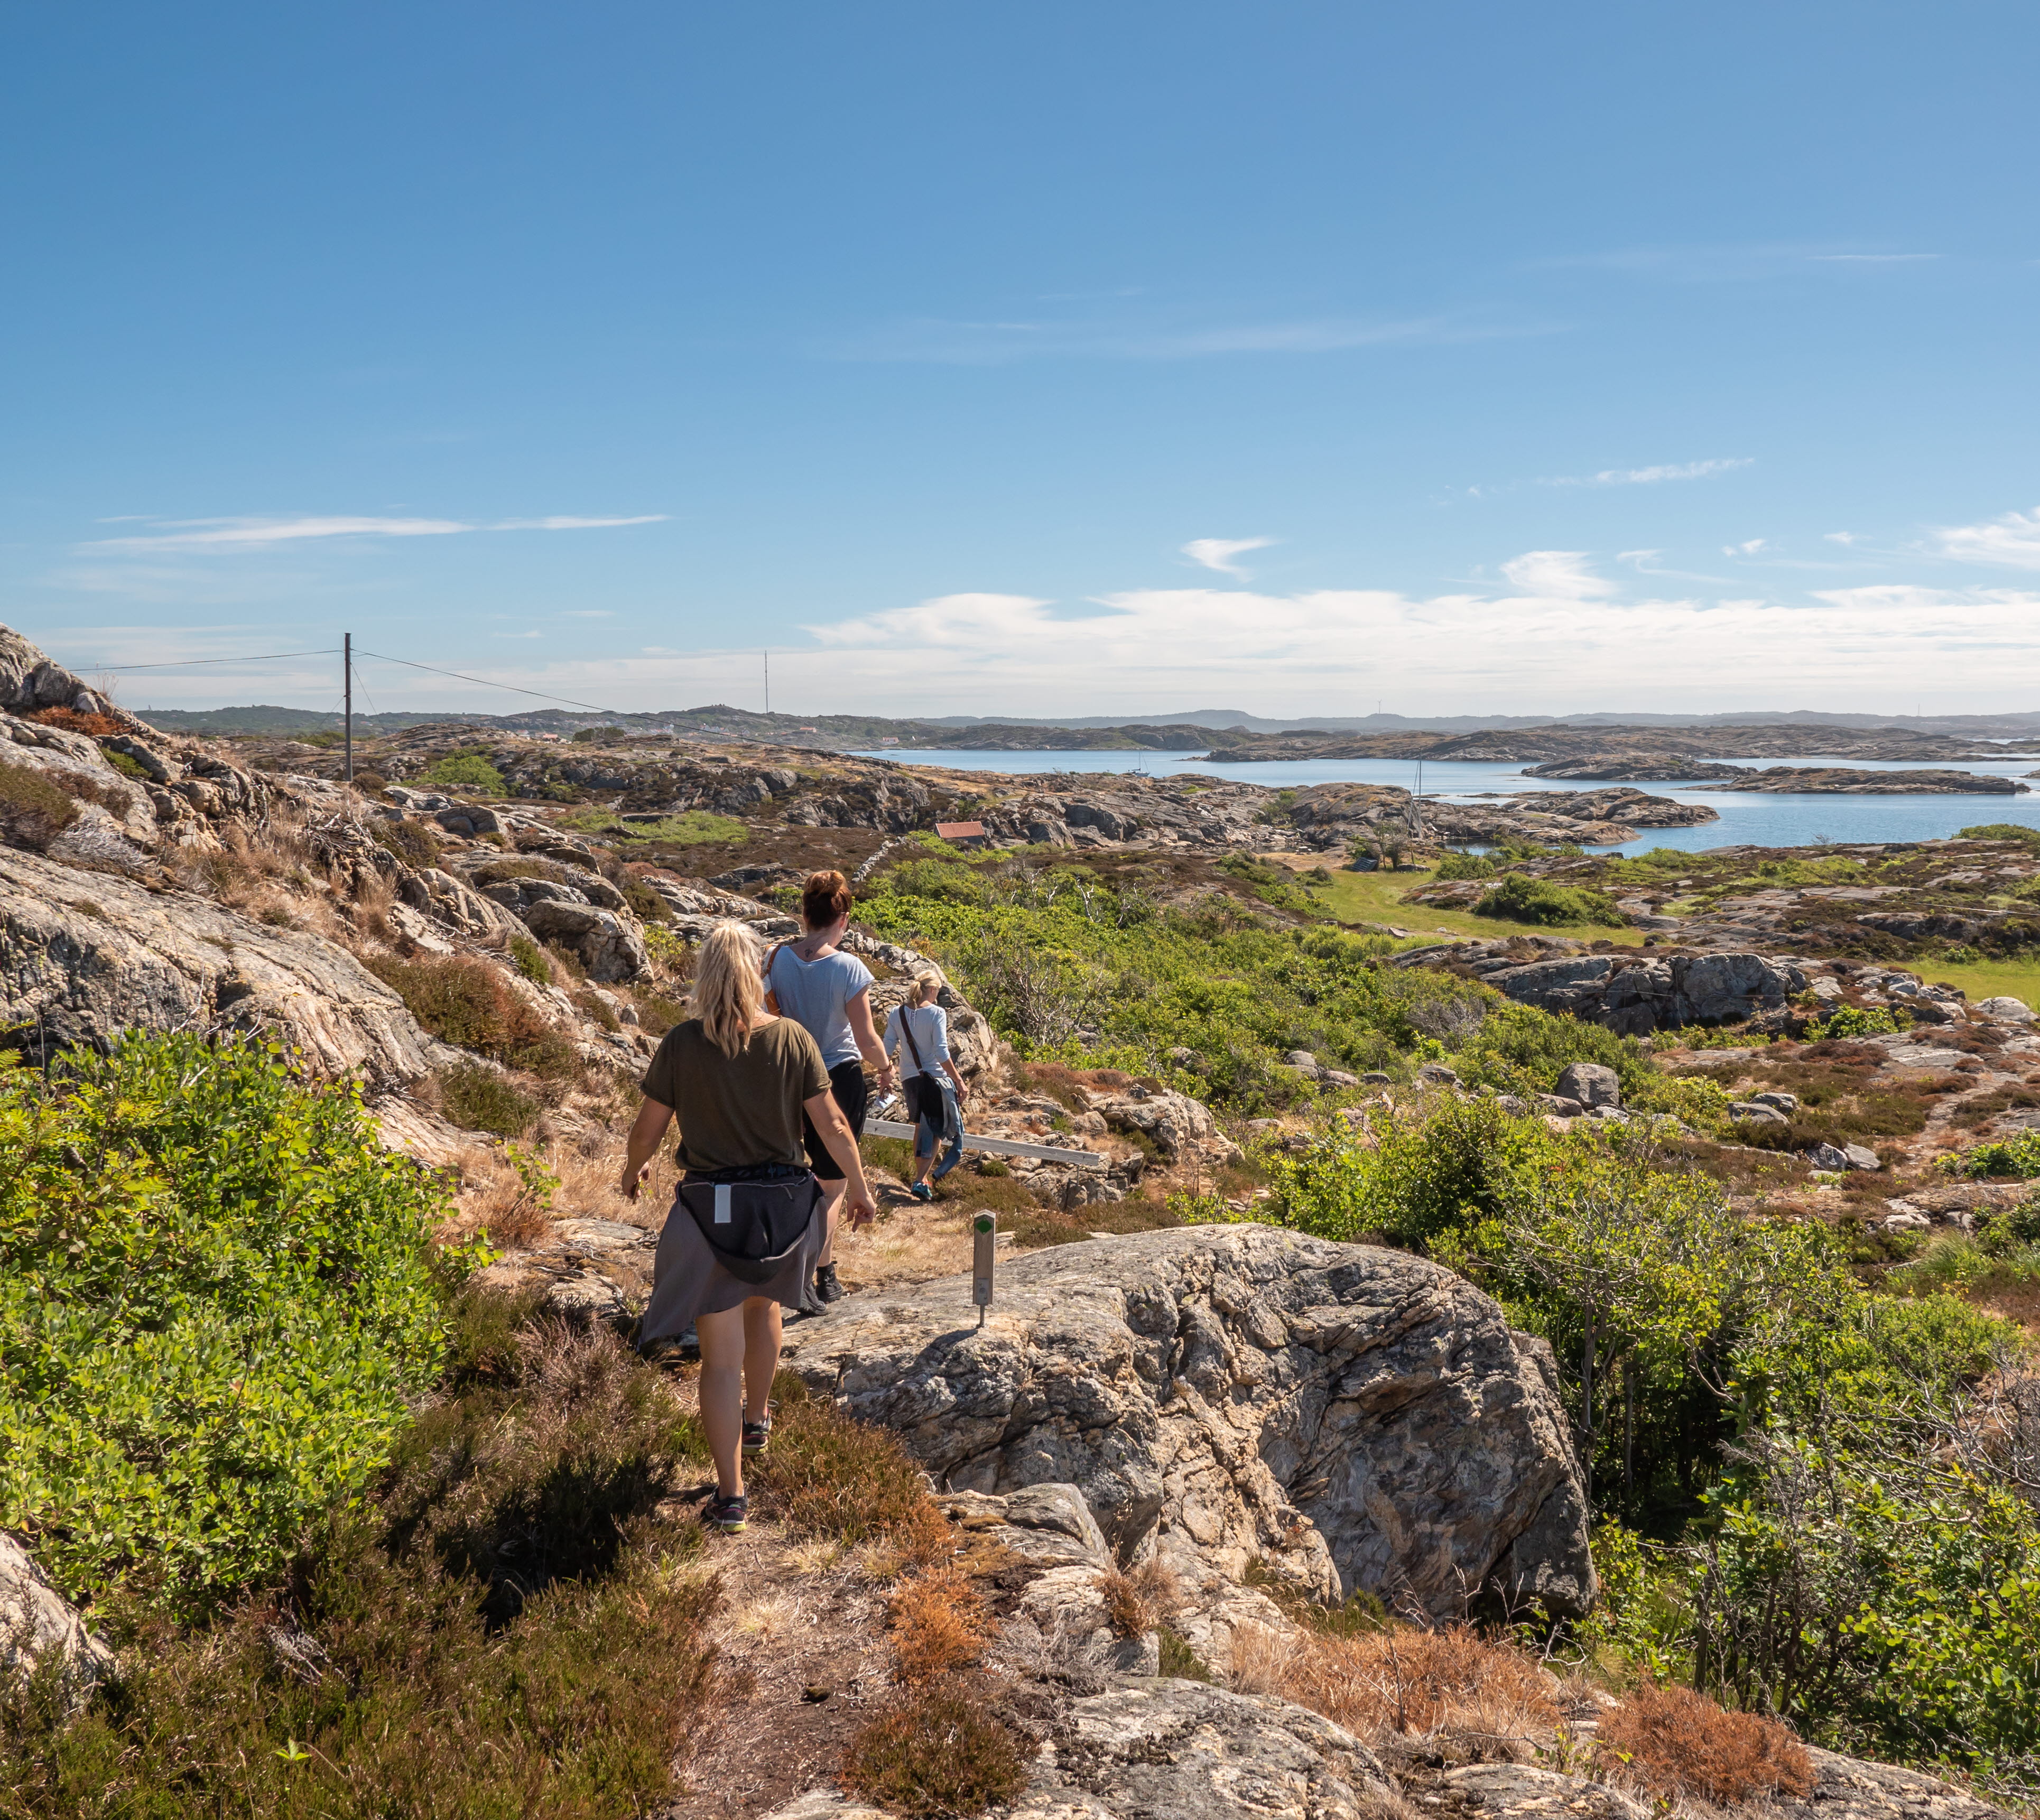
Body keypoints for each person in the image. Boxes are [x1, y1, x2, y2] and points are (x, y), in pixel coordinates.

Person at [622, 920, 877, 1535]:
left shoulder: (682, 1044)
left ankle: (731, 1497)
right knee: (765, 1310)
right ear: (755, 975)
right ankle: (758, 1419)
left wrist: (635, 1168)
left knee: (717, 1359)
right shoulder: (791, 1039)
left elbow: (648, 1127)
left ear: (706, 975)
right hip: (782, 1207)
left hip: (712, 1208)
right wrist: (861, 1189)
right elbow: (834, 1126)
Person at [764, 869, 894, 1304]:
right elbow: (865, 1038)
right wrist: (887, 1066)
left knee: (794, 1177)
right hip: (838, 1077)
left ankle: (800, 1267)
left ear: (805, 914)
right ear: (843, 919)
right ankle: (817, 1274)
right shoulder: (849, 967)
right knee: (833, 1184)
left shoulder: (776, 958)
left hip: (785, 1076)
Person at [883, 968, 969, 1199]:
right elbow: (941, 1052)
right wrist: (958, 1080)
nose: (937, 996)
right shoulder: (936, 1013)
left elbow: (887, 1047)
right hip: (934, 1079)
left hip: (909, 1079)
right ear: (932, 989)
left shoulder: (896, 1013)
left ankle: (920, 1178)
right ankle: (920, 1181)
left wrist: (884, 1073)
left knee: (922, 1127)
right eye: (937, 992)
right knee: (937, 1130)